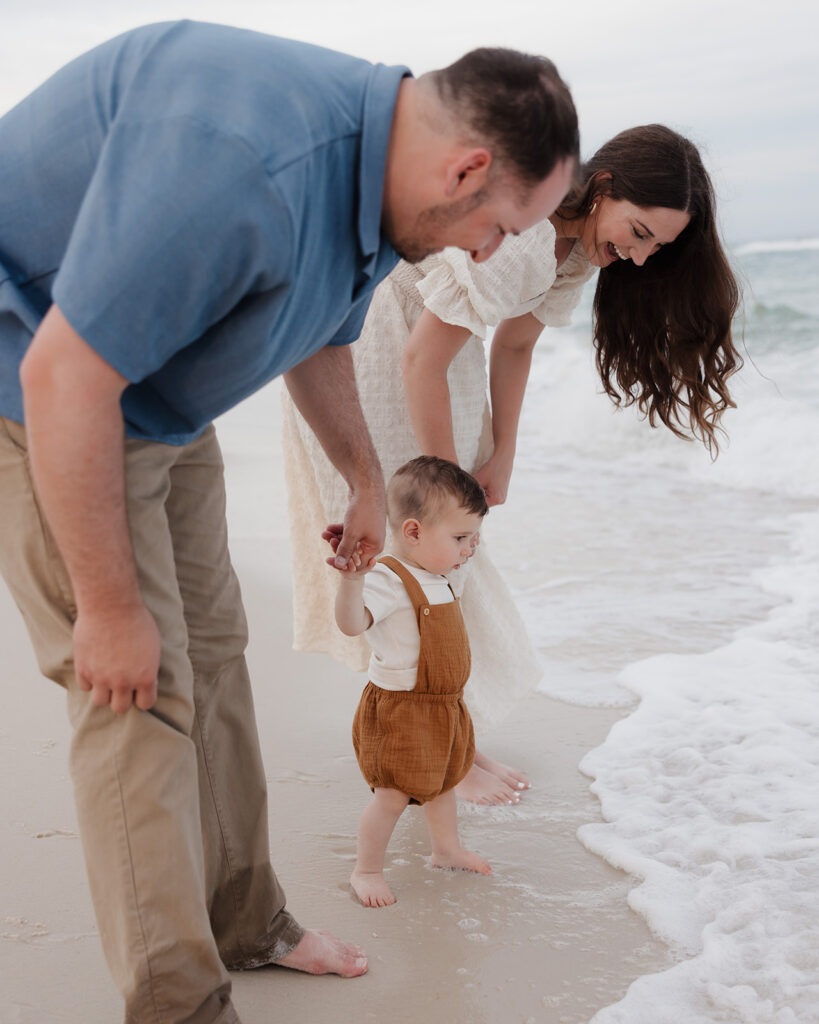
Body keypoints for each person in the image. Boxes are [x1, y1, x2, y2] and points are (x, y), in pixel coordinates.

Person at [0, 20, 579, 1024]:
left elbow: (322, 330)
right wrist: (106, 606)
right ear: (468, 168)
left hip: (157, 400)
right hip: (44, 397)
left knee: (215, 657)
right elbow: (62, 373)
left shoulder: (378, 170)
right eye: (500, 228)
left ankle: (246, 921)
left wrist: (362, 475)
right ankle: (181, 1007)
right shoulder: (242, 158)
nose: (489, 254)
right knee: (136, 691)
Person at [282, 124, 741, 804]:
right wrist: (444, 485)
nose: (640, 259)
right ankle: (432, 749)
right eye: (639, 232)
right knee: (414, 557)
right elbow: (418, 361)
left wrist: (502, 453)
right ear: (605, 189)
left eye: (656, 248)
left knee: (446, 558)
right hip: (376, 345)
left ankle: (449, 732)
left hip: (434, 355)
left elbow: (517, 345)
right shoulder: (525, 241)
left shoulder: (580, 251)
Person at [334, 456, 491, 907]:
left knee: (443, 782)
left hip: (443, 706)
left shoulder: (440, 576)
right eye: (461, 538)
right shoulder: (387, 578)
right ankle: (366, 870)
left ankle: (446, 850)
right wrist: (352, 584)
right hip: (402, 711)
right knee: (393, 795)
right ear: (414, 532)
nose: (469, 549)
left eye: (473, 538)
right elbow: (352, 624)